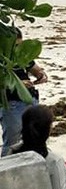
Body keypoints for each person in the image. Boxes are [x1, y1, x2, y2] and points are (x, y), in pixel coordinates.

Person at [1, 27, 48, 156]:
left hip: (31, 100)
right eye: (15, 46)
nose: (16, 49)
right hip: (12, 103)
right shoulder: (2, 59)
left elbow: (36, 69)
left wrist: (41, 75)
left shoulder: (23, 55)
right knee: (11, 143)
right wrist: (18, 84)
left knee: (36, 141)